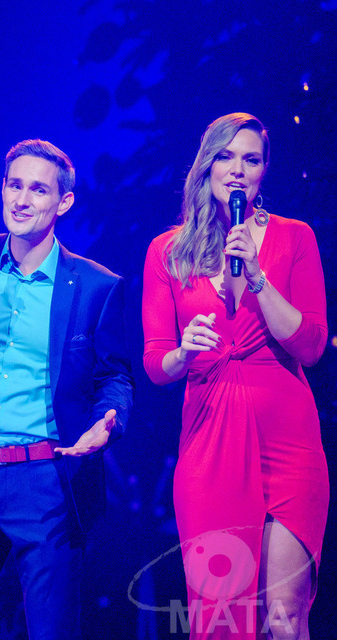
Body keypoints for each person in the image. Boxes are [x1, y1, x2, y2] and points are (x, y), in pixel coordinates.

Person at [0, 139, 134, 640]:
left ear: (64, 202)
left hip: (47, 482)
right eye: (14, 185)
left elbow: (115, 378)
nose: (21, 199)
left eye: (38, 189)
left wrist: (108, 423)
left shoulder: (96, 286)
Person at [142, 113, 328, 639]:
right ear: (207, 165)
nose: (238, 170)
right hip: (211, 439)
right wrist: (184, 352)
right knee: (221, 616)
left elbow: (311, 345)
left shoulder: (295, 237)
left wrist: (259, 278)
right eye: (226, 157)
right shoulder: (167, 250)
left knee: (285, 617)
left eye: (251, 159)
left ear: (264, 170)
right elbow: (156, 363)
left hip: (289, 439)